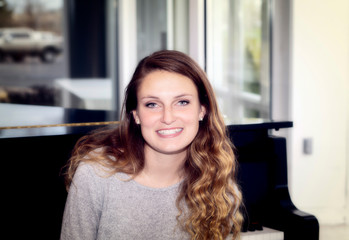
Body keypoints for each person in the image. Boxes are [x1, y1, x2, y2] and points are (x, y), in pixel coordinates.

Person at [60, 50, 243, 240]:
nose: (168, 118)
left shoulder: (219, 186)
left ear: (202, 110)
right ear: (136, 115)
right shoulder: (96, 174)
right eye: (152, 105)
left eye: (182, 102)